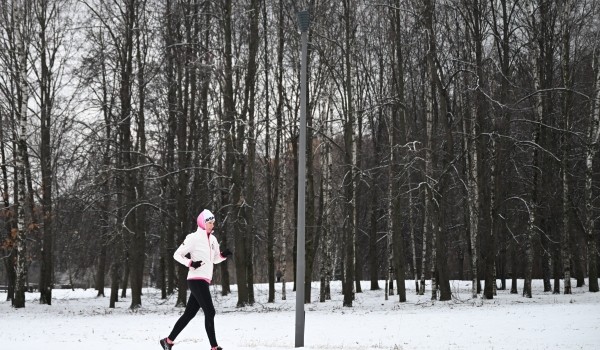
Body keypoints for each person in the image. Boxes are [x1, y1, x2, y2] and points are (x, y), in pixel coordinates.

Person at [160, 209, 232, 350]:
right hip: (195, 279)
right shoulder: (193, 238)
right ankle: (214, 347)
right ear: (202, 223)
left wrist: (223, 255)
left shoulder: (213, 239)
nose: (212, 225)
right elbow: (177, 254)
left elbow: (214, 259)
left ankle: (167, 341)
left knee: (189, 314)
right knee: (210, 312)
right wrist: (190, 263)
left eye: (213, 223)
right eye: (209, 223)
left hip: (205, 280)